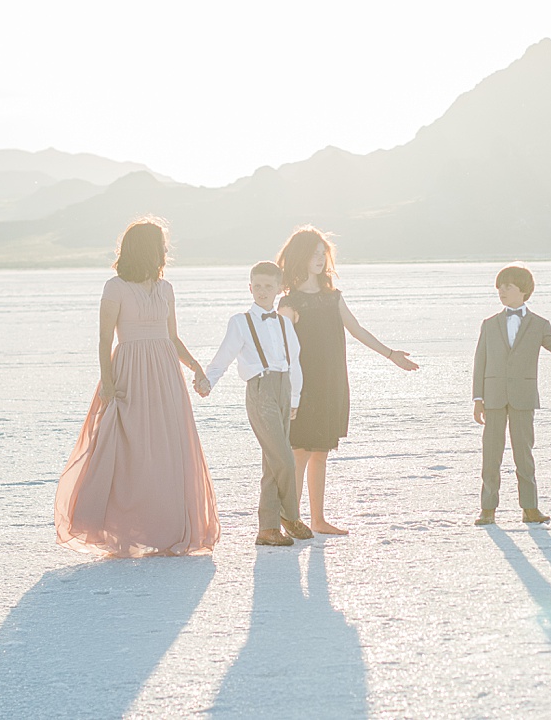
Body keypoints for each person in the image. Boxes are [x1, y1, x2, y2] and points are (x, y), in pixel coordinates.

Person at [55, 217, 219, 556]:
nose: (165, 250)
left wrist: (197, 366)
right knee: (129, 452)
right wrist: (109, 385)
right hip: (129, 373)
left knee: (168, 453)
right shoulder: (115, 287)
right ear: (147, 248)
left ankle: (167, 530)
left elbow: (171, 337)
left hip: (165, 376)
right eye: (161, 245)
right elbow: (104, 340)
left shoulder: (166, 289)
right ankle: (119, 527)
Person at [276, 226, 418, 535]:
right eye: (313, 254)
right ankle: (292, 520)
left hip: (333, 384)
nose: (319, 259)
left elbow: (357, 330)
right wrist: (285, 394)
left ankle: (317, 520)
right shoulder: (289, 303)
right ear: (300, 256)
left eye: (322, 254)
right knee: (299, 452)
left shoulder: (332, 297)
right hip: (303, 387)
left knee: (321, 452)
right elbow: (281, 353)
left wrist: (391, 354)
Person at [198, 259, 312, 548]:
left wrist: (295, 397)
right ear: (250, 288)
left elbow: (294, 362)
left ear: (278, 289)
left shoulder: (285, 323)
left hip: (284, 388)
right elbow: (223, 356)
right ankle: (289, 516)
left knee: (272, 462)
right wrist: (208, 381)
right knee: (284, 459)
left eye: (268, 287)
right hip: (260, 390)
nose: (262, 291)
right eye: (257, 286)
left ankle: (268, 529)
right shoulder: (240, 322)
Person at [471, 264, 551, 526]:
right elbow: (480, 362)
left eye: (508, 286)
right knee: (491, 453)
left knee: (523, 453)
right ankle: (487, 509)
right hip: (492, 397)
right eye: (499, 286)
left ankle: (530, 508)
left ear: (523, 290)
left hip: (523, 396)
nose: (501, 290)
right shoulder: (489, 324)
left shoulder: (539, 324)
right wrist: (477, 398)